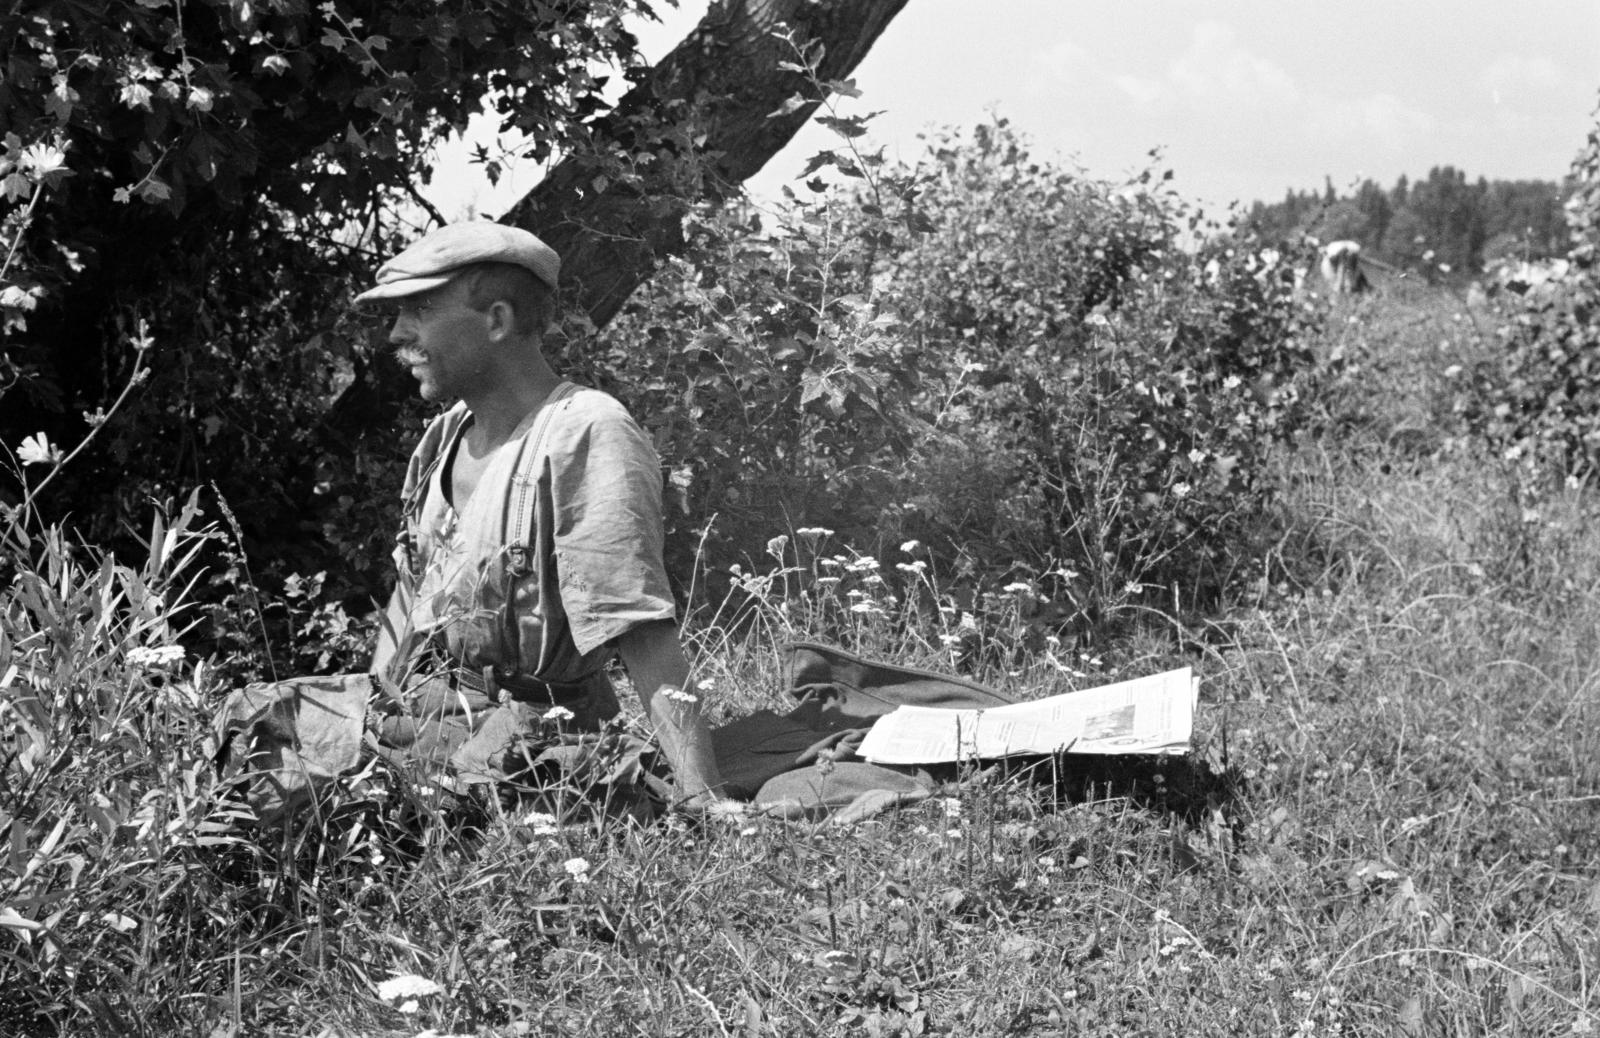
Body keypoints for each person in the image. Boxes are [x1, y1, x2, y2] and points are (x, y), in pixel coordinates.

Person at [356, 221, 724, 808]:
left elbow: (641, 629)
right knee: (264, 731)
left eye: (420, 310)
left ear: (497, 321)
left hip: (543, 743)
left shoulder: (584, 432)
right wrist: (365, 718)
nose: (398, 334)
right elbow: (409, 593)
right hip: (437, 712)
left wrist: (704, 799)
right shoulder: (445, 436)